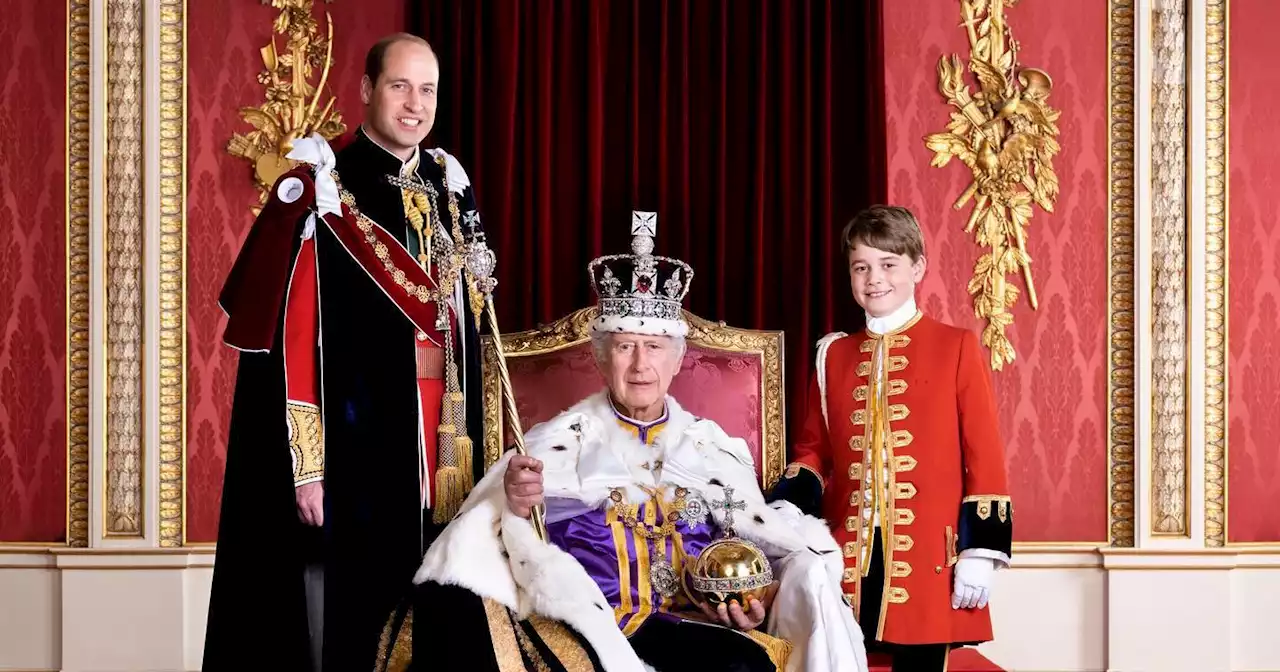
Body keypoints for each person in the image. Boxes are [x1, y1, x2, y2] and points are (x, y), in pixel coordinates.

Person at [374, 213, 868, 672]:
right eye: (625, 347)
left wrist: (747, 599)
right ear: (600, 357)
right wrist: (518, 507)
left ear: (678, 361)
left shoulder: (714, 451)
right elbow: (497, 543)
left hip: (692, 625)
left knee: (744, 662)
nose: (639, 365)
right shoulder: (553, 446)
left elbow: (754, 547)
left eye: (654, 348)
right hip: (591, 625)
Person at [204, 33, 489, 672]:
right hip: (360, 447)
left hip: (450, 443)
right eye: (399, 86)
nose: (415, 104)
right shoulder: (325, 184)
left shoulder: (450, 185)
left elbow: (472, 328)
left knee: (447, 616)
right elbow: (294, 337)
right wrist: (308, 466)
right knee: (365, 624)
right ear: (365, 90)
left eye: (428, 90)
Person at [767, 205, 1014, 671]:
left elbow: (984, 454)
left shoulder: (955, 345)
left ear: (917, 267)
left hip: (930, 561)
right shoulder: (834, 354)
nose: (874, 278)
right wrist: (787, 506)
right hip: (849, 559)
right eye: (861, 267)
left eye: (888, 264)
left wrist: (981, 550)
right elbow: (814, 450)